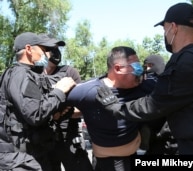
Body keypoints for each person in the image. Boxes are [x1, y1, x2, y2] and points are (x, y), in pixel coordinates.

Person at [95, 3, 193, 155]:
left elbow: (155, 103)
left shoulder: (185, 61)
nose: (165, 34)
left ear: (173, 27)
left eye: (164, 29)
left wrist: (117, 108)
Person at [0, 32, 76, 171]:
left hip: (30, 154)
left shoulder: (25, 74)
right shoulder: (21, 75)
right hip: (21, 159)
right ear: (29, 49)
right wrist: (59, 91)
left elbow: (28, 111)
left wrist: (57, 114)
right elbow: (35, 114)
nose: (47, 55)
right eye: (43, 50)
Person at [66, 46, 150, 171]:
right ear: (117, 68)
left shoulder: (143, 87)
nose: (140, 71)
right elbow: (57, 100)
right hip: (106, 163)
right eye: (135, 67)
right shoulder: (89, 91)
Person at [39, 33, 93, 170]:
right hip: (43, 141)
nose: (56, 52)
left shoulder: (69, 72)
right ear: (40, 51)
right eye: (51, 49)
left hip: (69, 137)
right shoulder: (32, 76)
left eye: (58, 49)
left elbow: (82, 107)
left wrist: (64, 114)